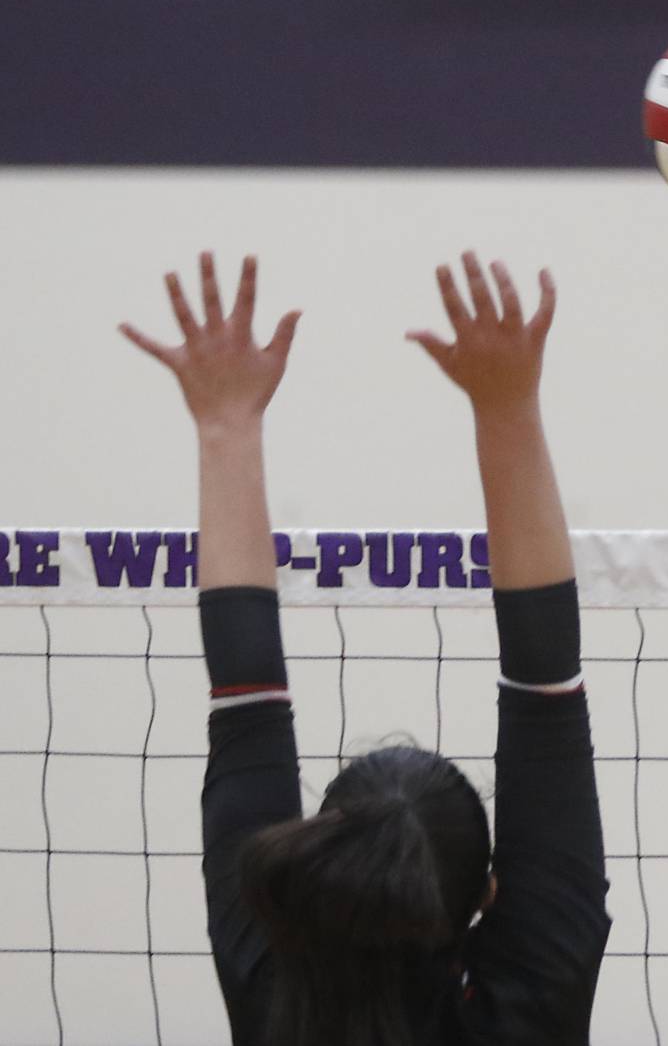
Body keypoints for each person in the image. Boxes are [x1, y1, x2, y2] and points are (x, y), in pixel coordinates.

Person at [121, 251, 610, 1046]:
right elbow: (246, 697)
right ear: (488, 893)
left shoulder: (277, 994)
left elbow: (543, 688)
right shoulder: (536, 994)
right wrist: (509, 406)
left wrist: (227, 422)